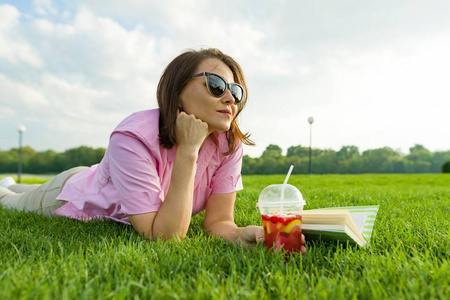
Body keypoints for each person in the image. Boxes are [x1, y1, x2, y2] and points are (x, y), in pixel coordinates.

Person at [0, 48, 306, 253]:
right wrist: (188, 150)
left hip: (103, 176)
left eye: (235, 91)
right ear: (177, 88)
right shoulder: (132, 136)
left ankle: (10, 182)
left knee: (16, 187)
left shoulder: (227, 145)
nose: (230, 98)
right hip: (75, 191)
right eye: (216, 84)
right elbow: (165, 237)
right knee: (10, 201)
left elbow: (218, 223)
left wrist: (247, 234)